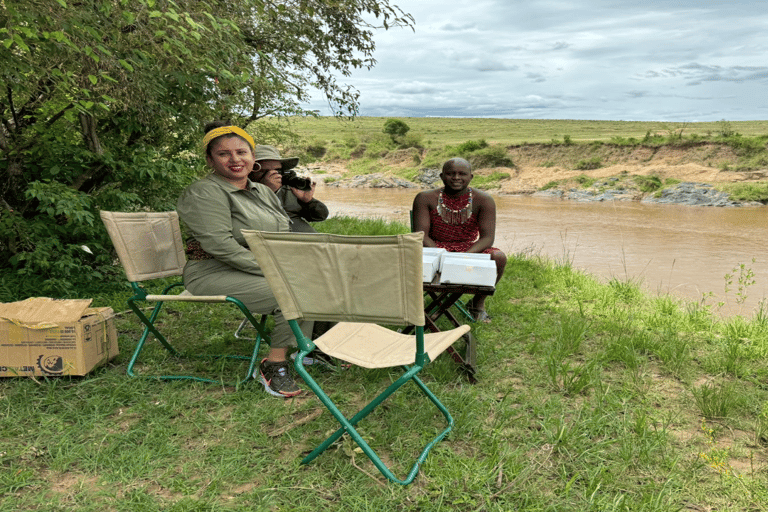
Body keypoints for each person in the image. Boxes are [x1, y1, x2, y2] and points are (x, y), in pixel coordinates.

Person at [177, 122, 313, 397]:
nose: (235, 159)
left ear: (254, 159)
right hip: (211, 271)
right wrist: (277, 270)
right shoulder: (204, 192)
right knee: (295, 291)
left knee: (319, 279)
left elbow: (284, 231)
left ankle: (310, 350)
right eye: (224, 154)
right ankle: (273, 365)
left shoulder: (262, 191)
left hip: (258, 267)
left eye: (242, 152)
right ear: (210, 160)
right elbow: (221, 247)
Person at [412, 157, 507, 323]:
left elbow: (487, 238)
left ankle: (477, 304)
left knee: (499, 257)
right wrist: (441, 255)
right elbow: (421, 235)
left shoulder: (484, 200)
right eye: (451, 173)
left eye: (462, 174)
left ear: (471, 177)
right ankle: (413, 308)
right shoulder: (425, 198)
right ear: (442, 176)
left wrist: (462, 257)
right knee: (407, 255)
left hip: (469, 249)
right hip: (433, 247)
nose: (456, 177)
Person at [248, 145, 329, 233]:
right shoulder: (242, 191)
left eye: (277, 170)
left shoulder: (289, 189)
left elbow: (320, 216)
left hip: (309, 242)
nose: (272, 175)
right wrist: (267, 191)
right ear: (250, 171)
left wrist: (308, 202)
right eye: (264, 171)